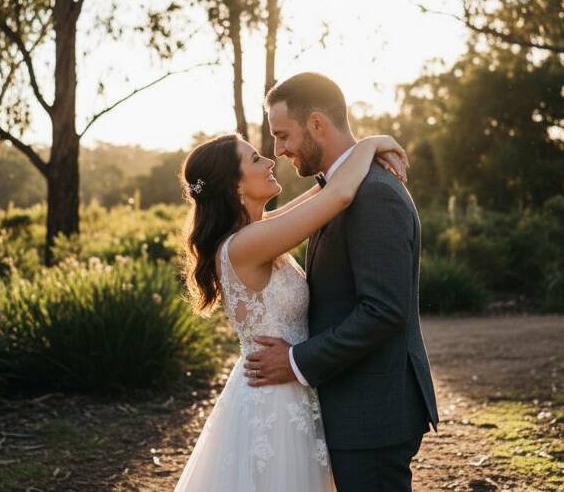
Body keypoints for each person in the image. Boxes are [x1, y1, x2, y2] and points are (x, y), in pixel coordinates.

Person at [173, 122, 410, 491]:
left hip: (288, 388)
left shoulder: (257, 231)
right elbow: (339, 196)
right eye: (255, 158)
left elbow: (325, 190)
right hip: (274, 402)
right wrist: (373, 143)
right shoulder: (246, 244)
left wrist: (350, 155)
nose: (270, 159)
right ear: (236, 185)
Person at [244, 72, 440, 492]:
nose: (278, 150)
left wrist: (296, 361)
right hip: (350, 406)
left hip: (372, 413)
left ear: (316, 123)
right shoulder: (338, 189)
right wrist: (369, 144)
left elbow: (384, 310)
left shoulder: (374, 193)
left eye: (282, 135)